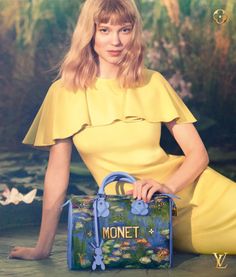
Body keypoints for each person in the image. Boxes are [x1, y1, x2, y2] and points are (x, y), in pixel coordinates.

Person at [9, 0, 236, 260]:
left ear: (134, 32)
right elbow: (57, 173)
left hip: (193, 192)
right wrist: (42, 248)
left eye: (125, 30)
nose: (116, 41)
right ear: (89, 32)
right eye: (104, 30)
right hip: (139, 217)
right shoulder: (63, 93)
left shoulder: (153, 82)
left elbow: (198, 155)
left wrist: (166, 186)